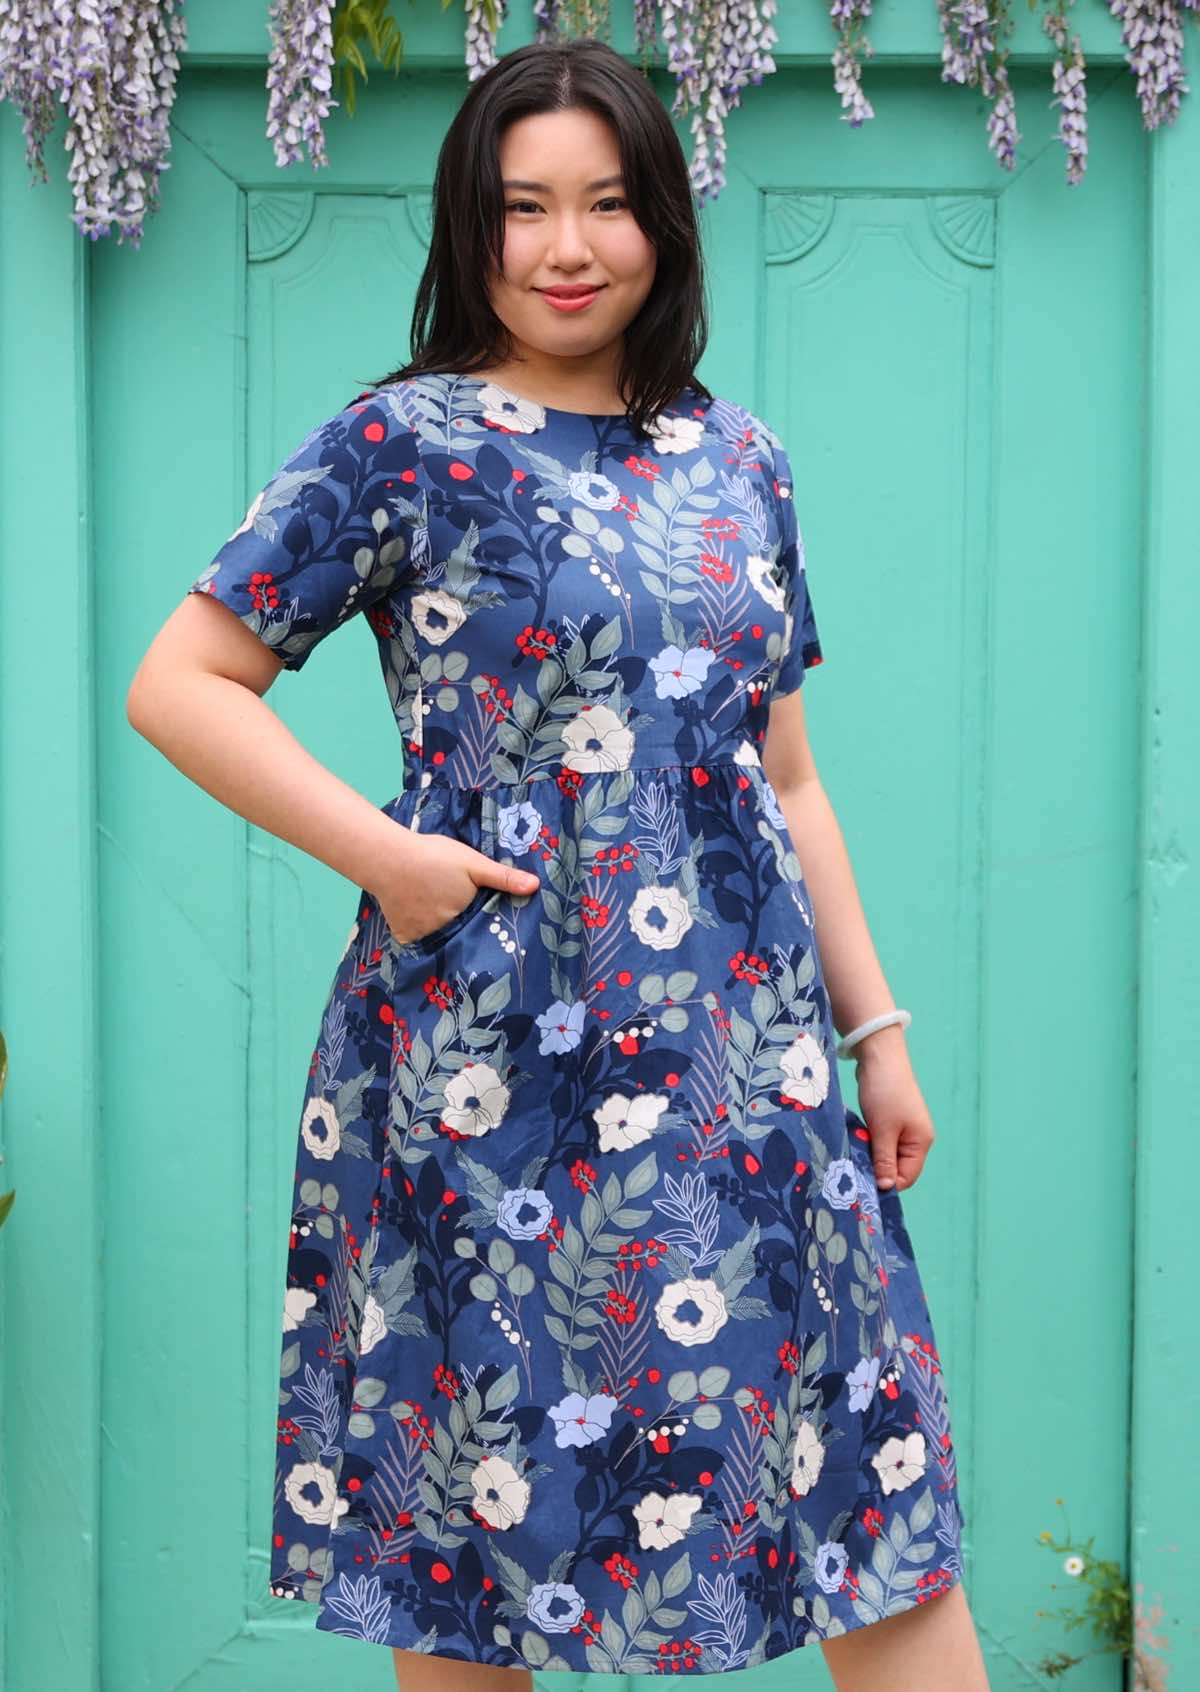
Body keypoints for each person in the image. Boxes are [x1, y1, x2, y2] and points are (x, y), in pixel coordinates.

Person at [126, 35, 990, 1692]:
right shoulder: (403, 442)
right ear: (474, 228)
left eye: (606, 204)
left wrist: (876, 1037)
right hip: (494, 1063)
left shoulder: (744, 461)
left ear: (662, 221)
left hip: (752, 1067)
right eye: (524, 209)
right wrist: (391, 862)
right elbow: (181, 682)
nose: (568, 247)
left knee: (866, 1491)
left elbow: (787, 780)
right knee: (478, 1508)